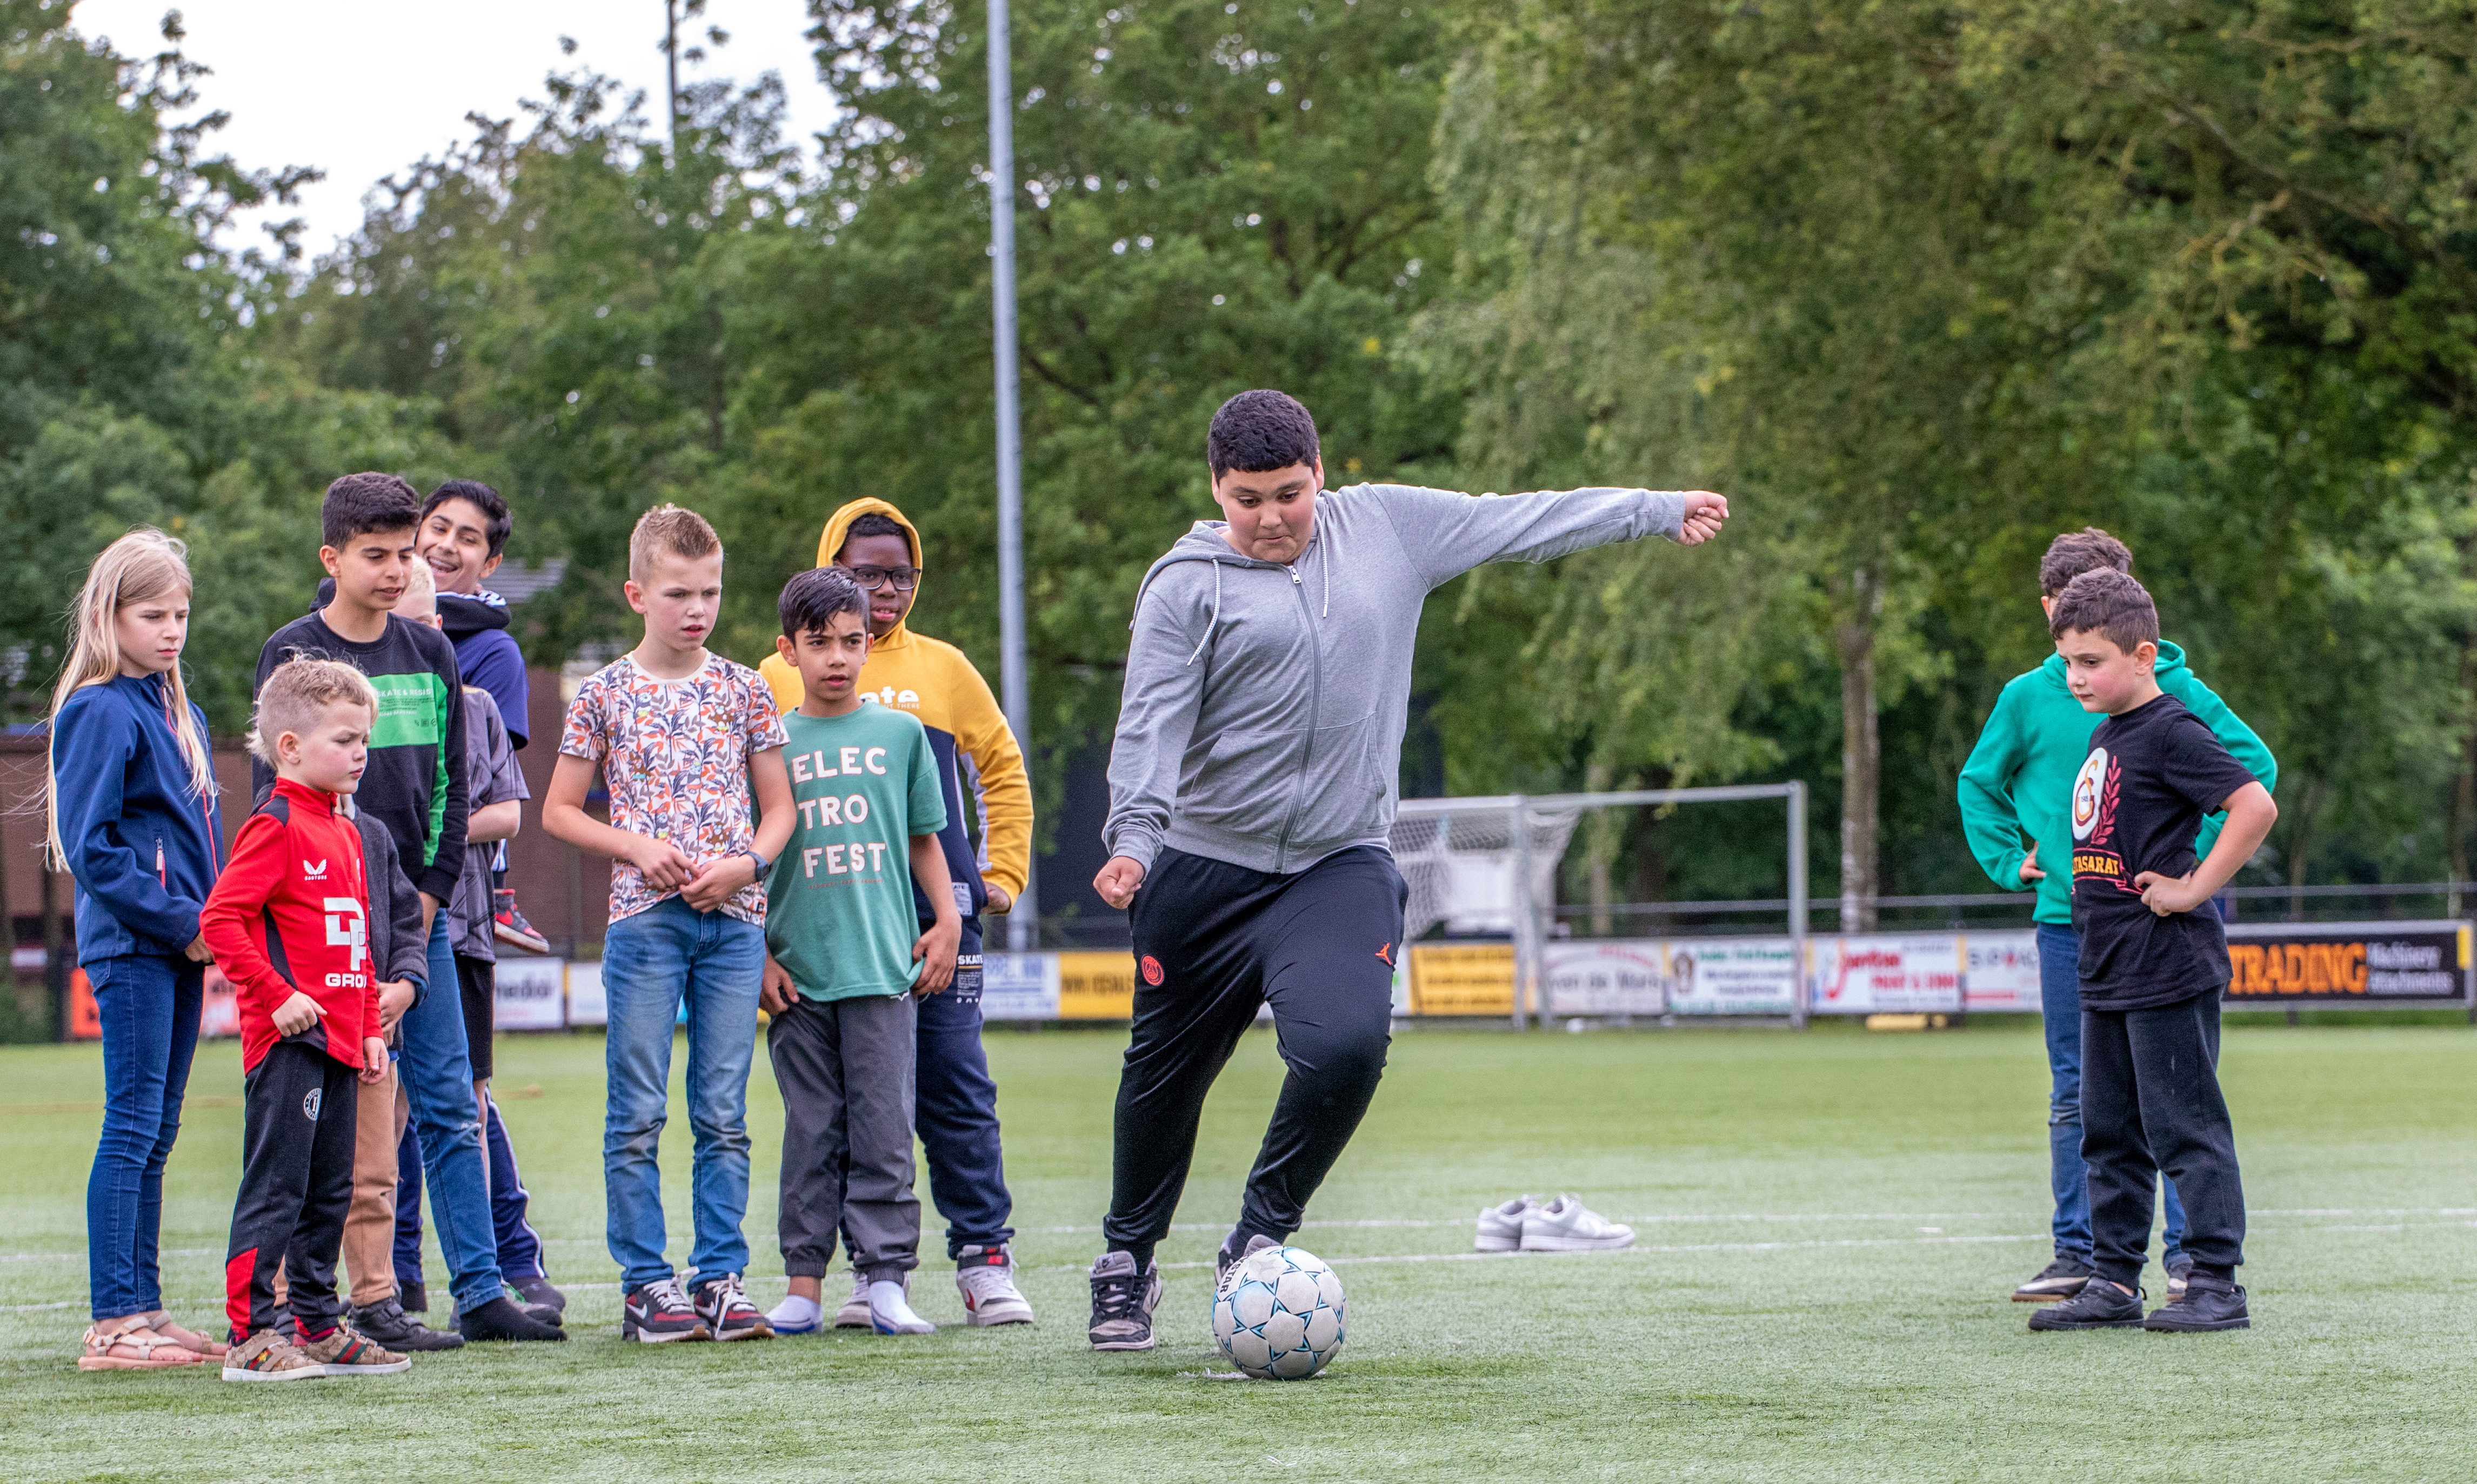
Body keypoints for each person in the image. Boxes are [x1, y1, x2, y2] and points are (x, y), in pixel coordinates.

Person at [1084, 389, 1731, 1349]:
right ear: (1214, 488)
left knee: (1345, 1047)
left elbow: (1519, 520)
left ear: (1322, 471)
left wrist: (1654, 507)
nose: (1269, 518)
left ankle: (1260, 1234)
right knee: (1166, 1076)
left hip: (1336, 860)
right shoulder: (1185, 584)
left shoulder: (1388, 526)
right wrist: (1134, 841)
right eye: (1246, 498)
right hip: (1201, 869)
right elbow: (1150, 727)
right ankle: (1126, 1261)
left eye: (1289, 494)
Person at [253, 472, 561, 1344]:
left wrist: (421, 907)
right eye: (379, 555)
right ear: (333, 558)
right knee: (332, 1131)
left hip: (420, 925)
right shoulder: (291, 652)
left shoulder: (434, 655)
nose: (398, 570)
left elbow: (448, 798)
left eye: (405, 554)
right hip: (324, 933)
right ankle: (329, 1303)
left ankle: (480, 1291)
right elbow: (267, 797)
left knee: (450, 1107)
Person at [1956, 527, 2276, 1304]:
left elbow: (2252, 794)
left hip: (2159, 948)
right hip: (2091, 946)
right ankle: (2106, 1270)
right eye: (2067, 658)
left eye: (2089, 659)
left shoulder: (2171, 718)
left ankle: (2205, 1275)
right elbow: (1988, 786)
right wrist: (2018, 860)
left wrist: (2191, 882)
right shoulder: (2099, 725)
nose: (2073, 675)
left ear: (2141, 649)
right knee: (2099, 1116)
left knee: (2179, 1116)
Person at [756, 498, 1036, 1327]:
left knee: (951, 1087)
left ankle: (984, 1258)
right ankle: (857, 1277)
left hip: (932, 927)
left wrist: (995, 878)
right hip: (821, 930)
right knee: (834, 1110)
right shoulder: (771, 682)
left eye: (900, 573)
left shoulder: (946, 668)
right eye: (866, 572)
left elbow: (1002, 769)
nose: (885, 589)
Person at [542, 504, 794, 1343]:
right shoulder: (604, 693)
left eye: (711, 592)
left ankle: (719, 1275)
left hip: (733, 923)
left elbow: (780, 810)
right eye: (679, 592)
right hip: (644, 924)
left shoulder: (744, 688)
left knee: (723, 1109)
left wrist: (746, 866)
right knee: (638, 1110)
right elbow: (559, 811)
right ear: (636, 593)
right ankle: (647, 1283)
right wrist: (635, 845)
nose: (698, 608)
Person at [758, 567, 962, 1337]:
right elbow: (754, 856)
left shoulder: (900, 734)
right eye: (819, 644)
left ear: (868, 646)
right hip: (798, 978)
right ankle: (803, 1289)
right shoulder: (768, 741)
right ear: (788, 650)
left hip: (884, 969)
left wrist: (945, 919)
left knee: (884, 1131)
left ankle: (885, 1282)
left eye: (851, 642)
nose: (837, 658)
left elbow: (924, 838)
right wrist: (761, 957)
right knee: (811, 1133)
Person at [48, 530, 228, 1371]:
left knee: (159, 1127)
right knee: (130, 1124)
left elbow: (199, 839)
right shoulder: (96, 707)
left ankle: (144, 1307)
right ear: (109, 613)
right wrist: (177, 920)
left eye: (181, 614)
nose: (171, 629)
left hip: (187, 944)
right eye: (152, 613)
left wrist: (217, 921)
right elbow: (93, 847)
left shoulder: (178, 708)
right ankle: (113, 1323)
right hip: (134, 945)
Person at [366, 564, 559, 1341]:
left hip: (446, 926)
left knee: (456, 1104)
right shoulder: (333, 679)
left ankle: (481, 1282)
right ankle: (377, 1284)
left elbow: (485, 809)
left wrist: (425, 877)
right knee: (372, 1112)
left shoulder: (467, 697)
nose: (427, 634)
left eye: (433, 622)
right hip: (364, 933)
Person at [202, 657, 409, 1380]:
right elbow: (221, 918)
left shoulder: (349, 833)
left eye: (364, 740)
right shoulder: (276, 824)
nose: (360, 753)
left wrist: (371, 1029)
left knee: (331, 1189)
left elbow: (355, 948)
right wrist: (274, 993)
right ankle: (252, 1334)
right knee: (278, 1185)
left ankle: (319, 1325)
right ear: (289, 747)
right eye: (344, 739)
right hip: (290, 1042)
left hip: (346, 1044)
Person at [416, 478, 550, 954]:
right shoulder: (359, 622)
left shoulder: (493, 652)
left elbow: (491, 785)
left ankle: (498, 901)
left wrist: (412, 832)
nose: (446, 546)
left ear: (490, 564)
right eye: (439, 528)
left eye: (468, 539)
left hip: (455, 873)